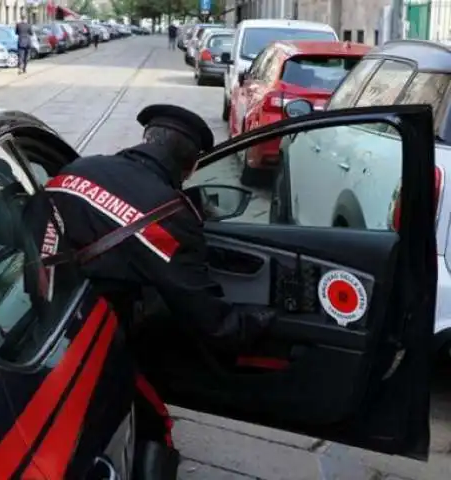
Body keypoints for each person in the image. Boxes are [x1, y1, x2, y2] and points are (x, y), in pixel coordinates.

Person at [27, 104, 275, 477]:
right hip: (88, 340)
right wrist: (263, 321)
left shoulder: (77, 168)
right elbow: (211, 321)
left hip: (32, 316)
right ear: (190, 167)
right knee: (153, 422)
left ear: (146, 139)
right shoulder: (170, 215)